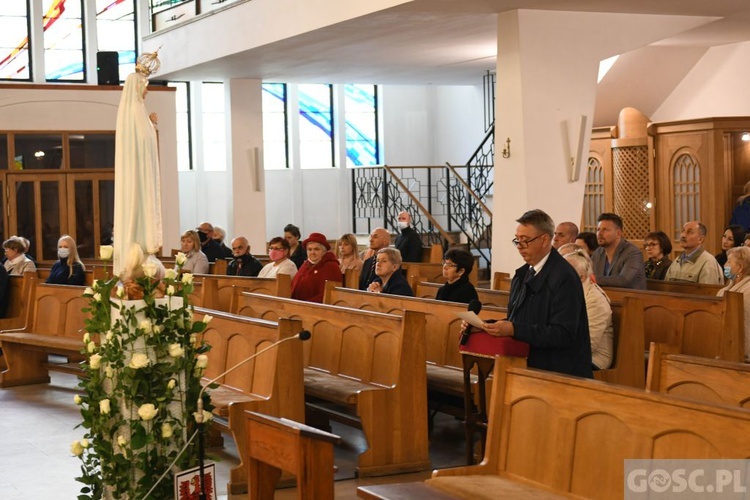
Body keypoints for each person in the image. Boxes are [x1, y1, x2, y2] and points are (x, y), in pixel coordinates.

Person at [462, 209, 593, 378]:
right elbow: (518, 320)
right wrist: (486, 326)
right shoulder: (523, 274)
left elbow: (563, 334)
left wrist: (514, 329)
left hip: (559, 372)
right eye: (517, 240)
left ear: (545, 239)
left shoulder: (564, 277)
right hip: (525, 366)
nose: (519, 247)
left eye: (525, 241)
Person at [564, 250, 613, 370]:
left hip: (593, 359)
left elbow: (587, 344)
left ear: (581, 277)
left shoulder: (596, 300)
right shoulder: (565, 293)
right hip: (567, 352)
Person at [591, 213, 646, 289]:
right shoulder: (597, 253)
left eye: (605, 230)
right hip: (604, 298)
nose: (599, 233)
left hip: (631, 298)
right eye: (598, 229)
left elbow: (624, 280)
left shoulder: (633, 253)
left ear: (618, 233)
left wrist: (592, 279)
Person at [717, 246, 750, 361]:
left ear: (740, 267)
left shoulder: (748, 291)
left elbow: (745, 325)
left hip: (742, 354)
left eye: (729, 262)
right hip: (724, 346)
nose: (725, 265)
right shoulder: (724, 289)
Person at [290, 232, 342, 303]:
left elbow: (330, 293)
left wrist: (306, 304)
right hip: (297, 304)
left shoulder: (331, 266)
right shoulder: (306, 263)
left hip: (314, 308)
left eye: (316, 249)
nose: (312, 252)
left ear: (324, 251)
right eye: (309, 249)